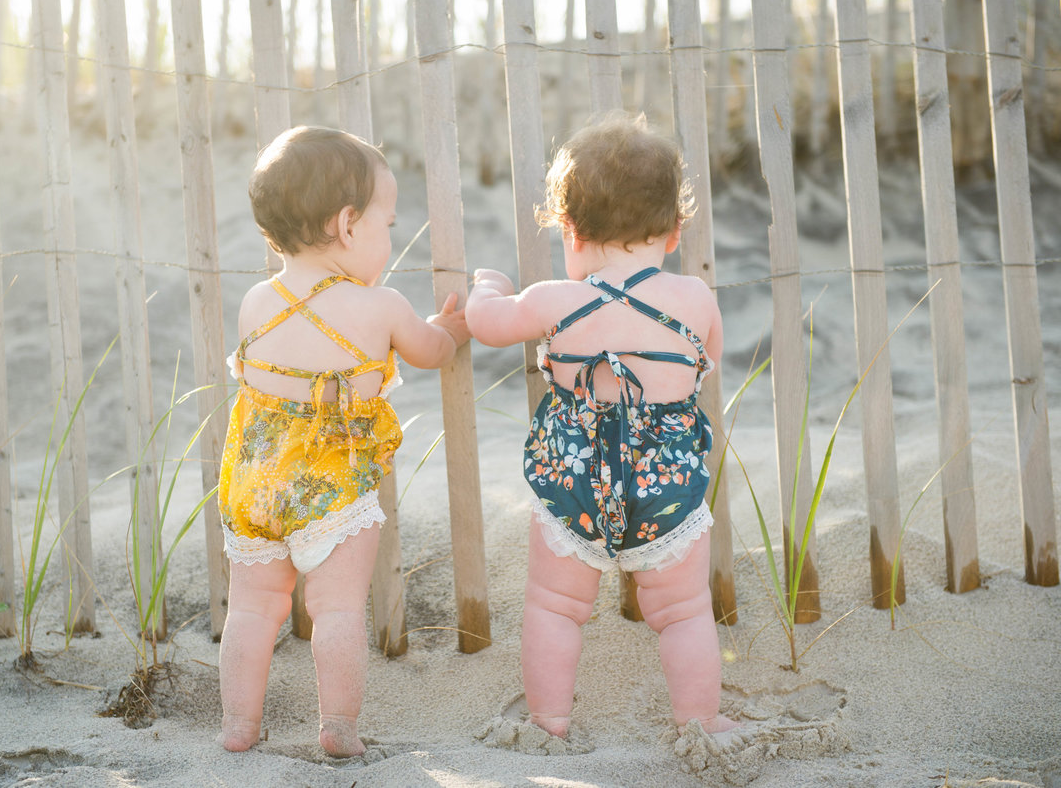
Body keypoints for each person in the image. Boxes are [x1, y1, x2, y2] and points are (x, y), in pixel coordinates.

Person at [465, 112, 737, 738]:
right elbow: (707, 364)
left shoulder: (555, 299)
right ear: (673, 230)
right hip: (666, 482)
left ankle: (550, 723)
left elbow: (487, 323)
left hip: (574, 480)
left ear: (570, 228)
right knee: (684, 612)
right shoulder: (695, 299)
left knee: (555, 607)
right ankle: (700, 722)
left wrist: (487, 286)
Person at [217, 125, 469, 756]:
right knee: (335, 608)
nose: (388, 239)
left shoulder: (255, 301)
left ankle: (239, 728)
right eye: (387, 224)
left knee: (251, 610)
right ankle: (339, 728)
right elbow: (433, 350)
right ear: (349, 224)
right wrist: (451, 326)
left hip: (256, 482)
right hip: (334, 486)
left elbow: (252, 379)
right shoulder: (377, 306)